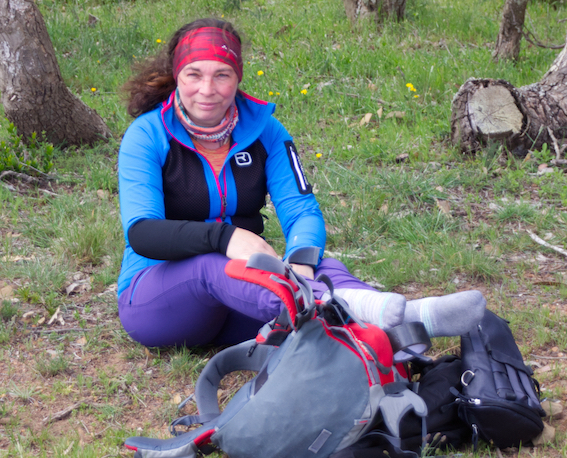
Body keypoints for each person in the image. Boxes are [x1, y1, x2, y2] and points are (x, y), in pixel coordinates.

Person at [117, 18, 486, 348]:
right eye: (194, 74)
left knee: (323, 264)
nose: (207, 89)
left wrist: (300, 259)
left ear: (239, 76)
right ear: (177, 76)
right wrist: (224, 238)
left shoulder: (265, 130)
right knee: (212, 265)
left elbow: (302, 211)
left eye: (222, 74)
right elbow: (143, 234)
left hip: (238, 306)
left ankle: (395, 322)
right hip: (158, 304)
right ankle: (374, 313)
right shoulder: (147, 135)